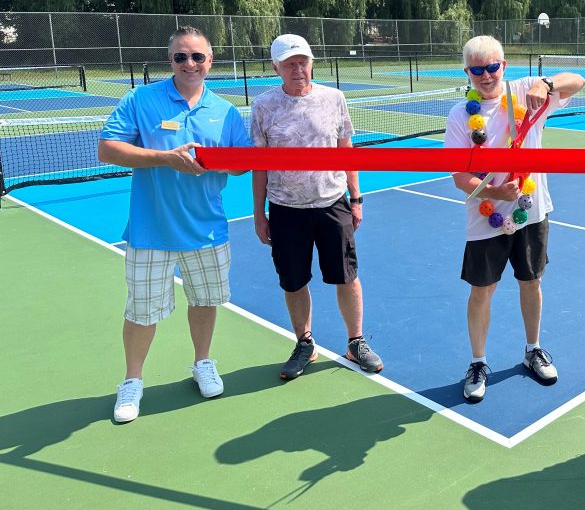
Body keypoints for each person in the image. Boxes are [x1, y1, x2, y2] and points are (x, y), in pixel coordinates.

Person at [98, 26, 250, 423]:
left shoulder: (226, 111)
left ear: (210, 61)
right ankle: (132, 381)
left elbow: (243, 164)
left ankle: (203, 362)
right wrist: (166, 157)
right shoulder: (141, 99)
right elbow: (108, 148)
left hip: (207, 230)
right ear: (170, 61)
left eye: (197, 57)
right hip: (151, 232)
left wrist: (216, 160)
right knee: (142, 311)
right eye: (181, 57)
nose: (190, 64)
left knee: (204, 301)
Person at [443, 35, 585, 403]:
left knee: (531, 281)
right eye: (478, 69)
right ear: (468, 73)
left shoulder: (525, 92)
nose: (486, 75)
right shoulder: (460, 116)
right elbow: (460, 176)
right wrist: (493, 193)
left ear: (503, 66)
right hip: (484, 217)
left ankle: (533, 349)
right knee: (482, 291)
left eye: (492, 67)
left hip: (531, 212)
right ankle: (477, 362)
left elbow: (579, 81)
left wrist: (546, 83)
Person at [250, 34, 382, 380]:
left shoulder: (334, 98)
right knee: (293, 281)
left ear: (311, 63)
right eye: (290, 63)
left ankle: (356, 342)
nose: (298, 69)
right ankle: (304, 344)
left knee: (347, 276)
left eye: (303, 61)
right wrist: (258, 213)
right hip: (285, 209)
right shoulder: (263, 106)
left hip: (332, 204)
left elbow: (346, 151)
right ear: (276, 67)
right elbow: (258, 164)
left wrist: (356, 198)